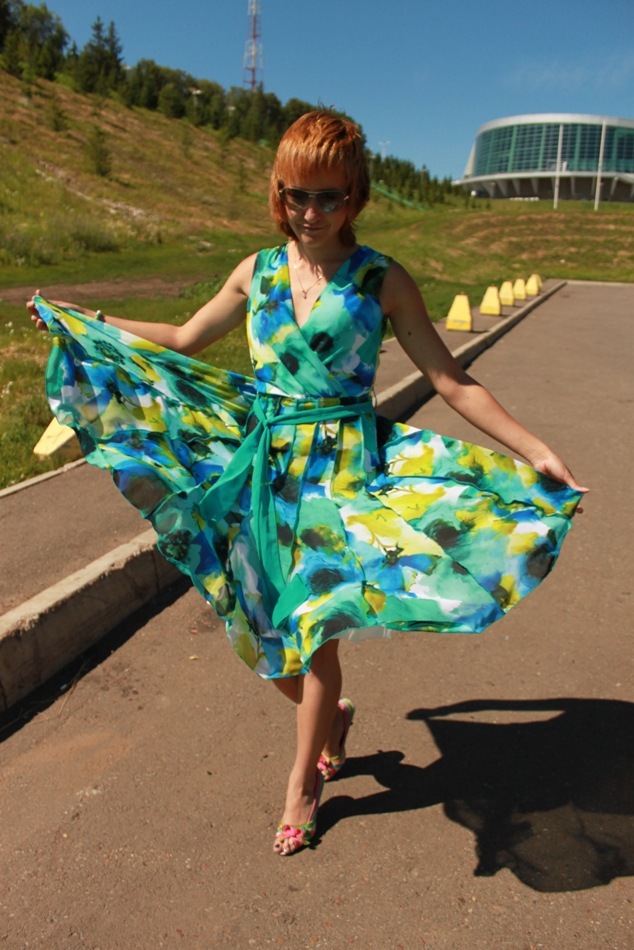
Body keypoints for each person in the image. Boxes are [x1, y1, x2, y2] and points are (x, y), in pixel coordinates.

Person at [28, 110, 587, 857]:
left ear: (356, 195)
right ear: (279, 193)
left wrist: (536, 448)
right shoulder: (255, 271)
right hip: (265, 472)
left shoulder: (382, 280)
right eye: (298, 195)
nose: (312, 213)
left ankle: (301, 786)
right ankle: (331, 717)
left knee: (316, 624)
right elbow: (185, 338)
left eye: (330, 197)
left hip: (343, 477)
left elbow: (451, 381)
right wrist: (90, 322)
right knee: (263, 630)